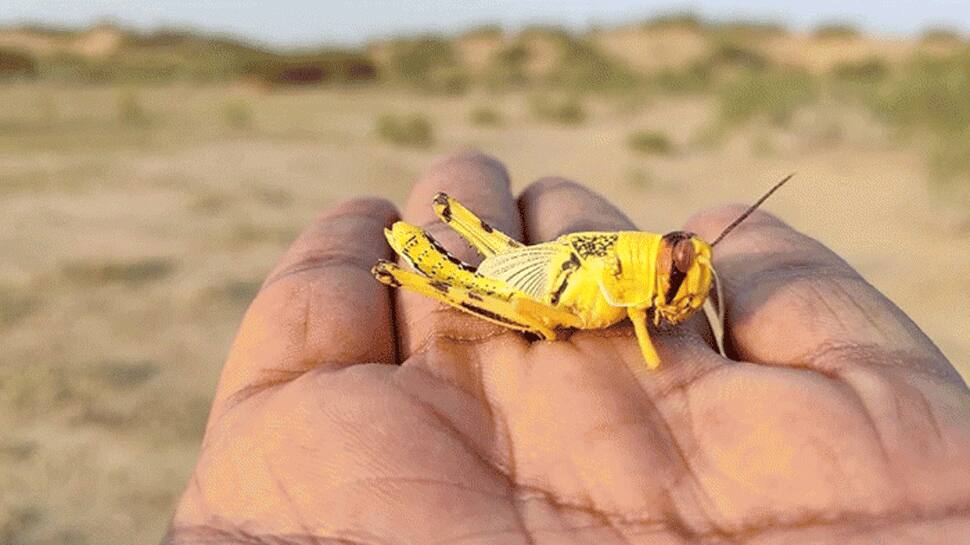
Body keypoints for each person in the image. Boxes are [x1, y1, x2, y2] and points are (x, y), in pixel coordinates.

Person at [163, 152, 970, 544]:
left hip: (564, 268)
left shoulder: (647, 269)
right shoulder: (629, 291)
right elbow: (635, 325)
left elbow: (655, 292)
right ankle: (433, 264)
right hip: (522, 289)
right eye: (678, 267)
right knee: (517, 306)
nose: (685, 278)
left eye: (686, 266)